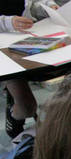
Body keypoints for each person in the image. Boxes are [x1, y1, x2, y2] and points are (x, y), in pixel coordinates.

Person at [0, 9, 37, 138]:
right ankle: (14, 123)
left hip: (25, 40)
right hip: (4, 51)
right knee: (27, 106)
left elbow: (31, 5)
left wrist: (46, 7)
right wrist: (7, 22)